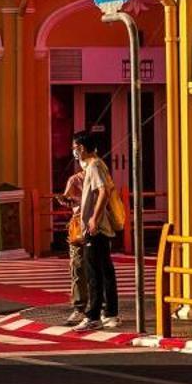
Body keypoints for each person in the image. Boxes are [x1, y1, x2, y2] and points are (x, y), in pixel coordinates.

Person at [72, 131, 119, 330]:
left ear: (81, 148)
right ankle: (110, 313)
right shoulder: (98, 165)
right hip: (98, 226)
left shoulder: (94, 166)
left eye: (74, 148)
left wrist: (93, 218)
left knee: (94, 273)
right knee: (104, 270)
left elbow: (104, 192)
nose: (74, 152)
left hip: (96, 228)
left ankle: (93, 316)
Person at [59, 163, 91, 325]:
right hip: (79, 227)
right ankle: (79, 307)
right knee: (78, 266)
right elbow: (67, 200)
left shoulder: (101, 176)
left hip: (97, 226)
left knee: (97, 267)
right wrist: (68, 201)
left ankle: (100, 306)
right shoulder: (74, 180)